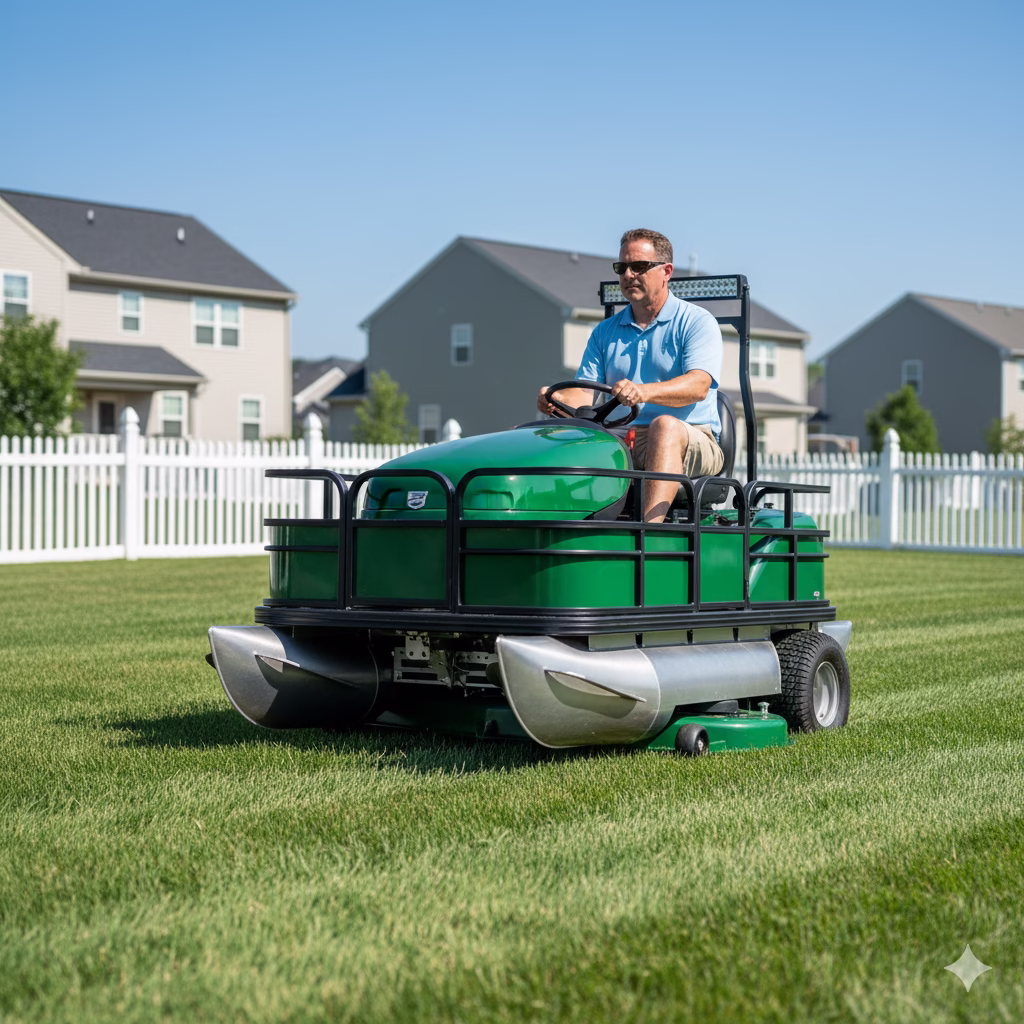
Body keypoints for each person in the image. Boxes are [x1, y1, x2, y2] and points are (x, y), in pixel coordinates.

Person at [537, 228, 725, 522]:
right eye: (621, 267)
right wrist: (556, 399)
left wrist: (643, 391)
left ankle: (651, 535)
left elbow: (698, 386)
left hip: (693, 437)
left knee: (664, 426)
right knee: (537, 435)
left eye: (638, 266)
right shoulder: (605, 331)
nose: (628, 274)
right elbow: (583, 394)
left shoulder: (696, 322)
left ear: (666, 272)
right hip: (622, 438)